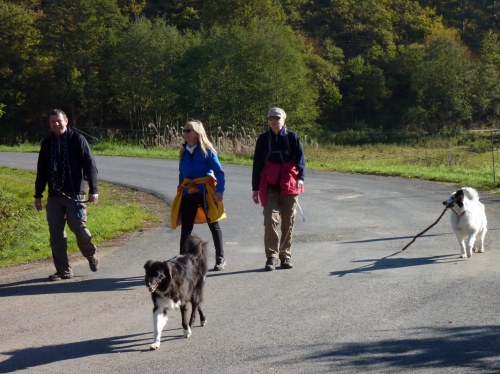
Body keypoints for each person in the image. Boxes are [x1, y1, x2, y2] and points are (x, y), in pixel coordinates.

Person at [34, 109, 99, 281]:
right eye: (53, 122)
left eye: (59, 121)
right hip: (54, 196)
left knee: (79, 229)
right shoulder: (47, 143)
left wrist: (94, 189)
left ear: (66, 120)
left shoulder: (77, 139)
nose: (56, 124)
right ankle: (63, 271)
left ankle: (91, 254)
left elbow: (90, 165)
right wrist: (38, 195)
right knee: (56, 235)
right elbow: (41, 171)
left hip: (75, 195)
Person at [252, 107, 305, 271]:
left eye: (277, 118)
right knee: (269, 219)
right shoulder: (263, 139)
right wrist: (255, 188)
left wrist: (301, 178)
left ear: (284, 120)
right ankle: (271, 257)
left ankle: (285, 255)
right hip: (270, 185)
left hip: (289, 185)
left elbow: (301, 160)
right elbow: (257, 165)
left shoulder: (292, 137)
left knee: (288, 221)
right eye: (271, 118)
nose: (274, 121)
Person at [171, 120, 227, 271]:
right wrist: (180, 187)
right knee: (186, 227)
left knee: (213, 224)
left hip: (205, 192)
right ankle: (183, 260)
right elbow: (182, 174)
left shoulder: (207, 152)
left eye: (189, 130)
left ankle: (220, 257)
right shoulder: (183, 152)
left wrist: (219, 191)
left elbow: (219, 173)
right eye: (184, 130)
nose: (185, 133)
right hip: (189, 192)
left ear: (197, 133)